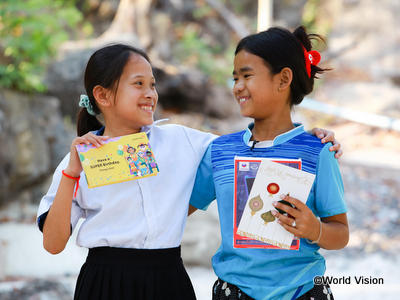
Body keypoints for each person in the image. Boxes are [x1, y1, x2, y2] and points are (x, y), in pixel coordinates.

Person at [37, 44, 341, 300]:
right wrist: (72, 173)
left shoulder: (183, 141)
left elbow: (249, 147)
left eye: (152, 84)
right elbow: (53, 244)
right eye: (138, 84)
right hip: (105, 283)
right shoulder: (77, 161)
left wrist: (308, 137)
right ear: (103, 96)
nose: (150, 94)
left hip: (168, 279)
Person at [189, 26, 349, 300]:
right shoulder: (221, 150)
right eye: (235, 78)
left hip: (304, 292)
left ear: (283, 79)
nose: (237, 86)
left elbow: (341, 233)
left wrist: (315, 229)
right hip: (233, 293)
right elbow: (175, 209)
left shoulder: (317, 152)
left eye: (247, 75)